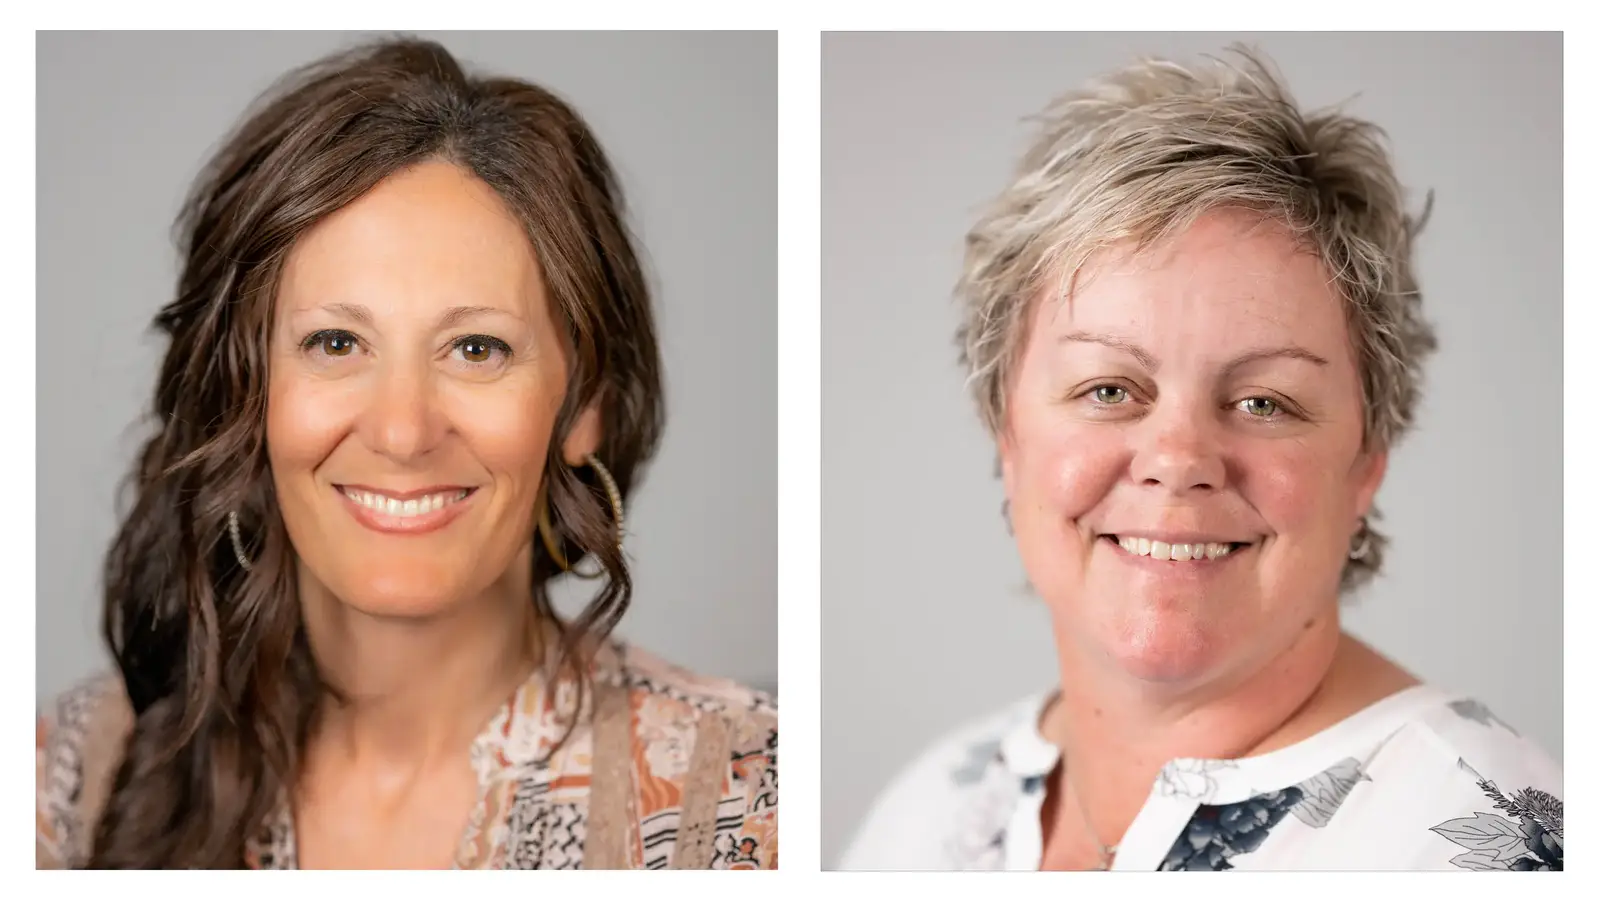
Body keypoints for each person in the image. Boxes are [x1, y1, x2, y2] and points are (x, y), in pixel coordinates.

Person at [35, 37, 777, 870]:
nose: (401, 430)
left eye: (476, 350)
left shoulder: (746, 796)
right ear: (244, 393)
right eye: (336, 341)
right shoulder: (63, 782)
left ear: (584, 405)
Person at [839, 46, 1559, 872]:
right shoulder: (930, 814)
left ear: (1367, 460)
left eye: (1264, 402)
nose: (1179, 459)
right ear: (1007, 434)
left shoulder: (1491, 851)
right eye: (1110, 389)